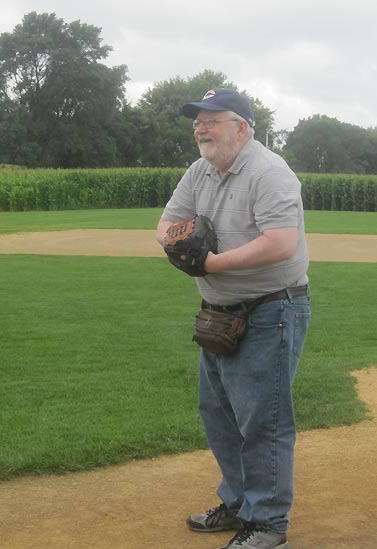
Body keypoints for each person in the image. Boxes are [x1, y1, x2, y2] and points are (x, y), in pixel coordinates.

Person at [156, 88, 310, 549]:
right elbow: (166, 224)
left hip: (271, 309)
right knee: (220, 413)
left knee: (263, 420)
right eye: (197, 123)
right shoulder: (199, 171)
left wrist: (209, 263)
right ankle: (241, 503)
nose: (201, 129)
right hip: (218, 313)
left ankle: (267, 524)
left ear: (242, 127)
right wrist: (177, 244)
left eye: (212, 120)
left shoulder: (269, 172)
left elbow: (281, 243)